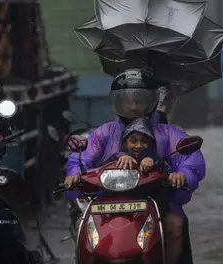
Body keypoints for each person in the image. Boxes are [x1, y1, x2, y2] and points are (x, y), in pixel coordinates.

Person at [64, 68, 205, 264]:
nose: (133, 106)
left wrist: (183, 174)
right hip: (105, 201)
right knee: (81, 224)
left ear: (152, 100)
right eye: (127, 100)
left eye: (139, 100)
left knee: (174, 225)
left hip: (156, 199)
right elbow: (82, 158)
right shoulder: (104, 132)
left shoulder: (168, 133)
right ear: (116, 101)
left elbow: (191, 159)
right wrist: (74, 174)